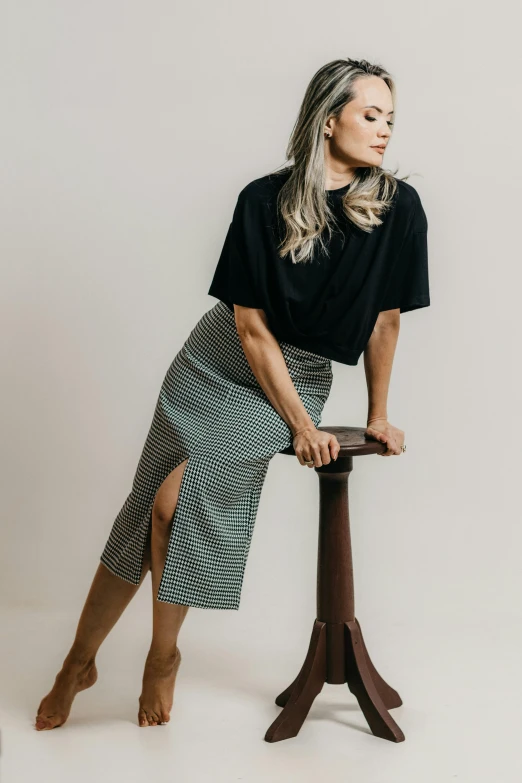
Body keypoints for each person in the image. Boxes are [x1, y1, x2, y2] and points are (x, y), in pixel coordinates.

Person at [34, 56, 430, 731]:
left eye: (391, 117)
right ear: (328, 119)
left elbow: (386, 322)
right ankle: (79, 659)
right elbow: (249, 327)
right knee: (141, 511)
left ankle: (163, 656)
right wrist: (303, 428)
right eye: (371, 114)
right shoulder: (261, 200)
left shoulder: (397, 209)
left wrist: (377, 414)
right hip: (214, 361)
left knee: (173, 501)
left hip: (294, 376)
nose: (385, 129)